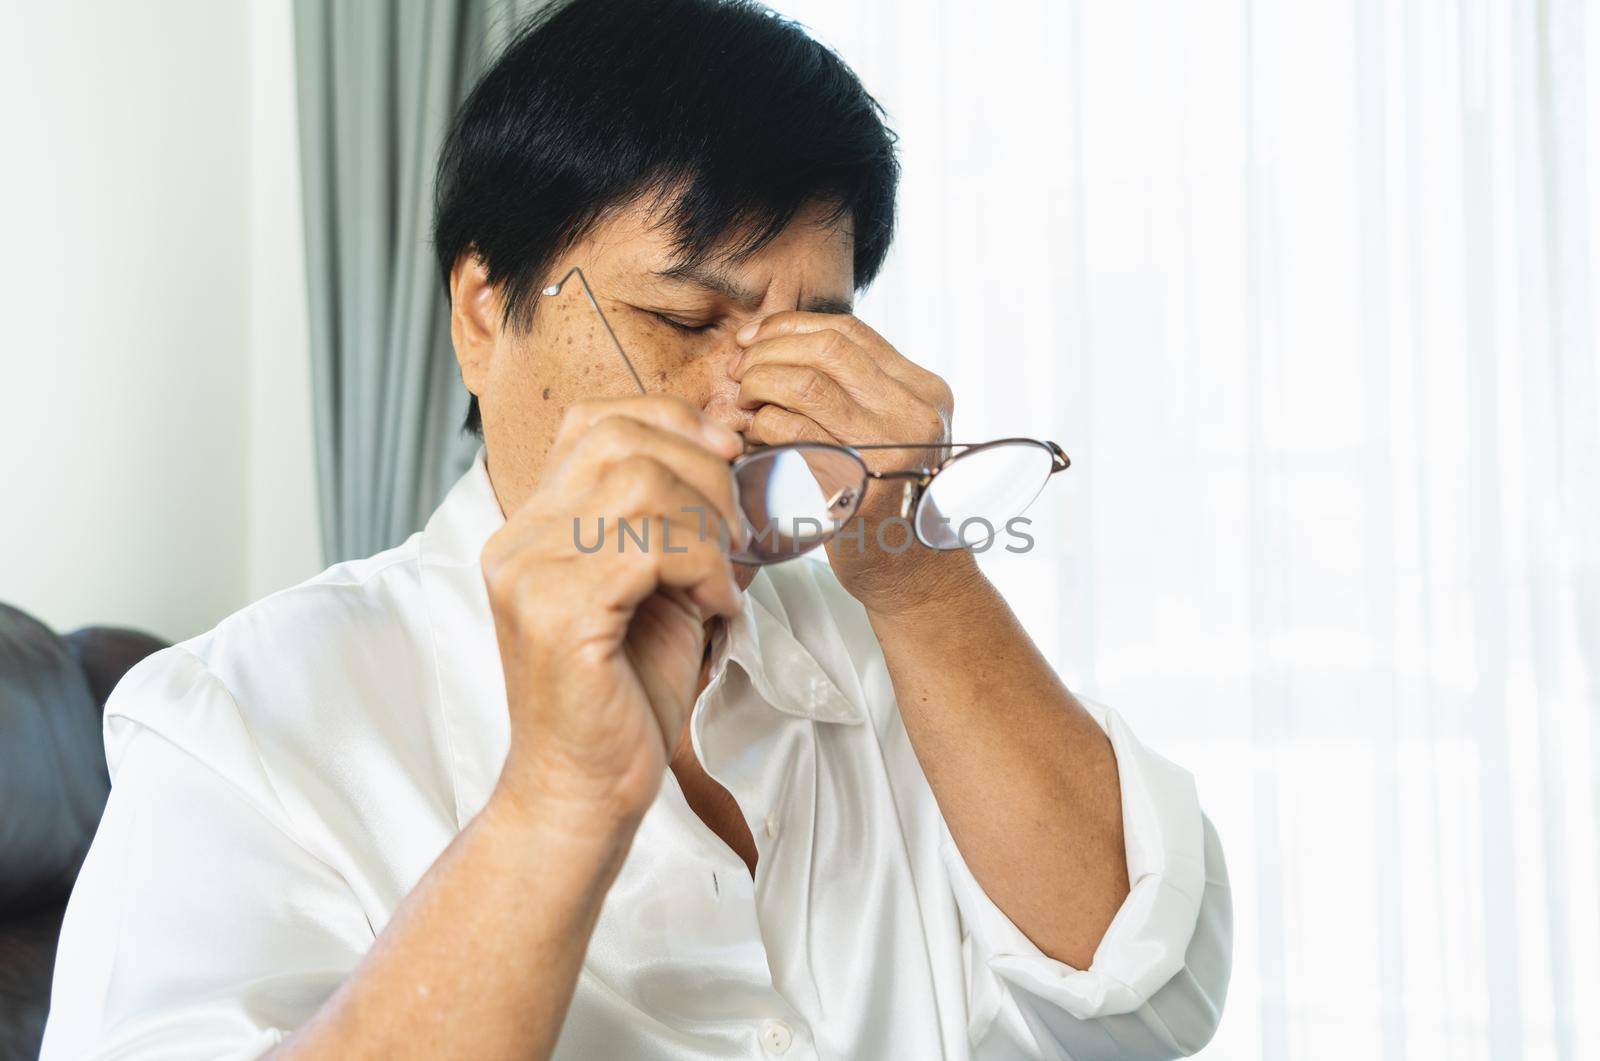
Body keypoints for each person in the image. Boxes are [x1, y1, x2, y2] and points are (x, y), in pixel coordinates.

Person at [42, 0, 1231, 1057]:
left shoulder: (887, 641)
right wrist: (560, 796)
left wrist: (916, 575)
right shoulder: (240, 715)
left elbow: (1143, 997)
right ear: (479, 312)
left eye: (818, 335)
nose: (755, 405)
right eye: (678, 317)